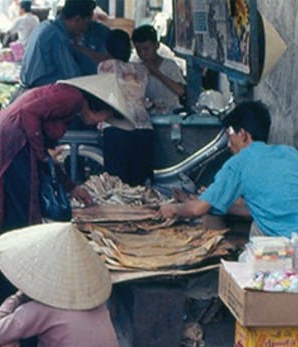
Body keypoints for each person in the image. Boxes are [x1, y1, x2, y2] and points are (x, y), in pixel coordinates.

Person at [0, 73, 133, 307]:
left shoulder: (70, 104)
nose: (99, 122)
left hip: (9, 144)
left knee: (12, 217)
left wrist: (70, 187)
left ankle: (9, 287)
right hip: (11, 147)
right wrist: (42, 156)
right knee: (17, 221)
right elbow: (28, 116)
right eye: (102, 116)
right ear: (99, 105)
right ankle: (10, 289)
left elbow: (45, 149)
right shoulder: (73, 98)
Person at [159, 101, 298, 238]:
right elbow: (262, 209)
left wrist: (173, 209)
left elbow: (197, 209)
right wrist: (216, 200)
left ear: (242, 134)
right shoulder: (289, 153)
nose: (229, 144)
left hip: (289, 243)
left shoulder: (238, 163)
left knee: (219, 221)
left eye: (230, 136)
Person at [98, 28, 154, 186]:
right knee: (139, 185)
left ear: (108, 48)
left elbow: (103, 94)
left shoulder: (105, 66)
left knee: (118, 184)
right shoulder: (142, 69)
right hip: (144, 128)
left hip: (117, 127)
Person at [19, 0, 95, 88]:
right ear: (76, 19)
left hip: (28, 88)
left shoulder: (45, 26)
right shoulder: (57, 36)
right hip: (40, 91)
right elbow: (73, 77)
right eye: (86, 24)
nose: (85, 30)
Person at [131, 24, 185, 115]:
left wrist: (156, 72)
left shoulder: (169, 65)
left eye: (146, 49)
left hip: (171, 113)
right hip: (150, 115)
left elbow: (180, 91)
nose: (142, 54)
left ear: (156, 46)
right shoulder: (137, 68)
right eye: (138, 50)